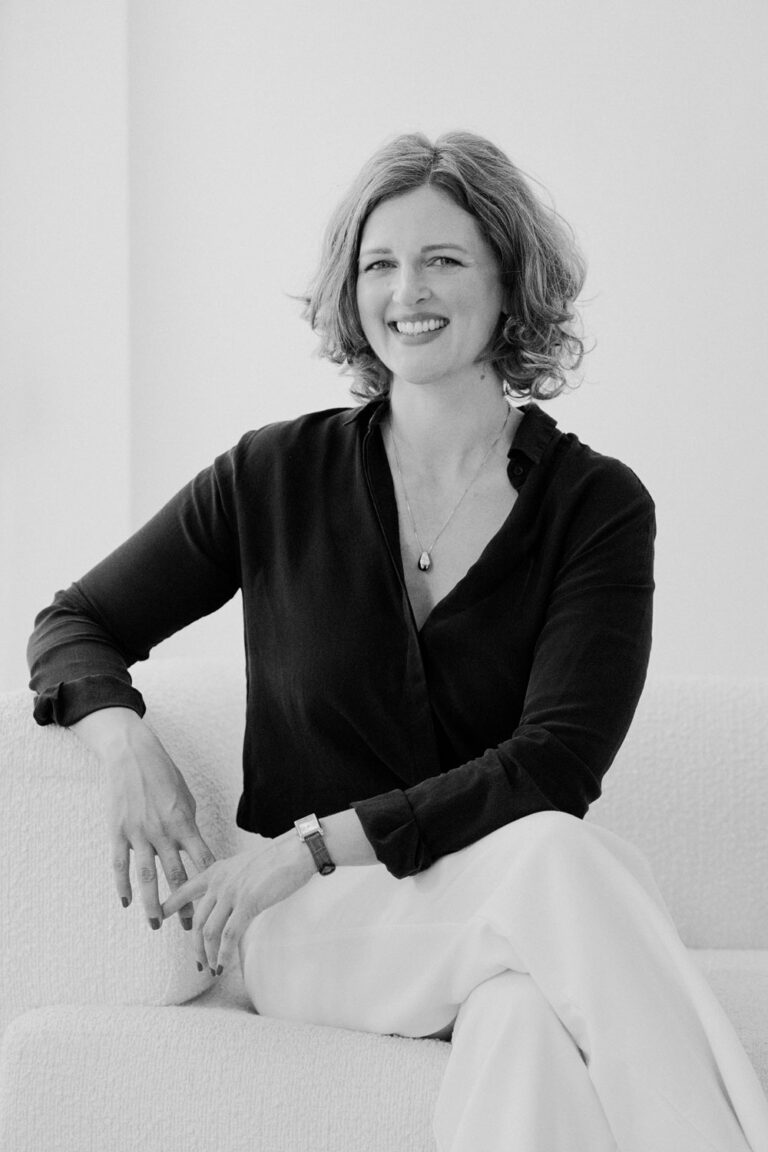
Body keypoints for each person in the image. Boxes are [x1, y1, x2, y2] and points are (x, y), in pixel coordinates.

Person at [27, 131, 768, 1152]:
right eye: (380, 264)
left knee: (522, 1016)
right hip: (313, 927)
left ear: (509, 283)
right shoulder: (272, 476)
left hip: (471, 894)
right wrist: (122, 741)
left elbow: (554, 765)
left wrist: (315, 842)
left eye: (443, 260)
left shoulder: (595, 506)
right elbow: (75, 622)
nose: (406, 291)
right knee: (564, 864)